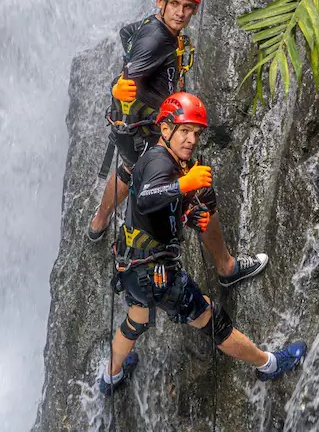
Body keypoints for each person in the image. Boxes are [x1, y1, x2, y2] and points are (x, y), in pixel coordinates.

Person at [98, 93, 307, 396]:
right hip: (158, 276)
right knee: (213, 321)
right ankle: (269, 364)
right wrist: (185, 184)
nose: (191, 139)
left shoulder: (159, 157)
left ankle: (110, 377)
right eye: (184, 130)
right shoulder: (160, 164)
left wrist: (186, 214)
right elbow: (146, 199)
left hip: (131, 267)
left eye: (196, 133)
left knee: (136, 319)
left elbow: (154, 212)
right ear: (165, 129)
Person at [89, 0, 267, 287]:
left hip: (132, 131)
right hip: (150, 129)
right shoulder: (156, 39)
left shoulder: (150, 26)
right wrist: (120, 88)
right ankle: (227, 268)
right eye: (175, 4)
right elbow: (127, 79)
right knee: (199, 192)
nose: (181, 13)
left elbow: (127, 33)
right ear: (161, 1)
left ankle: (98, 223)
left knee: (129, 168)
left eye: (188, 7)